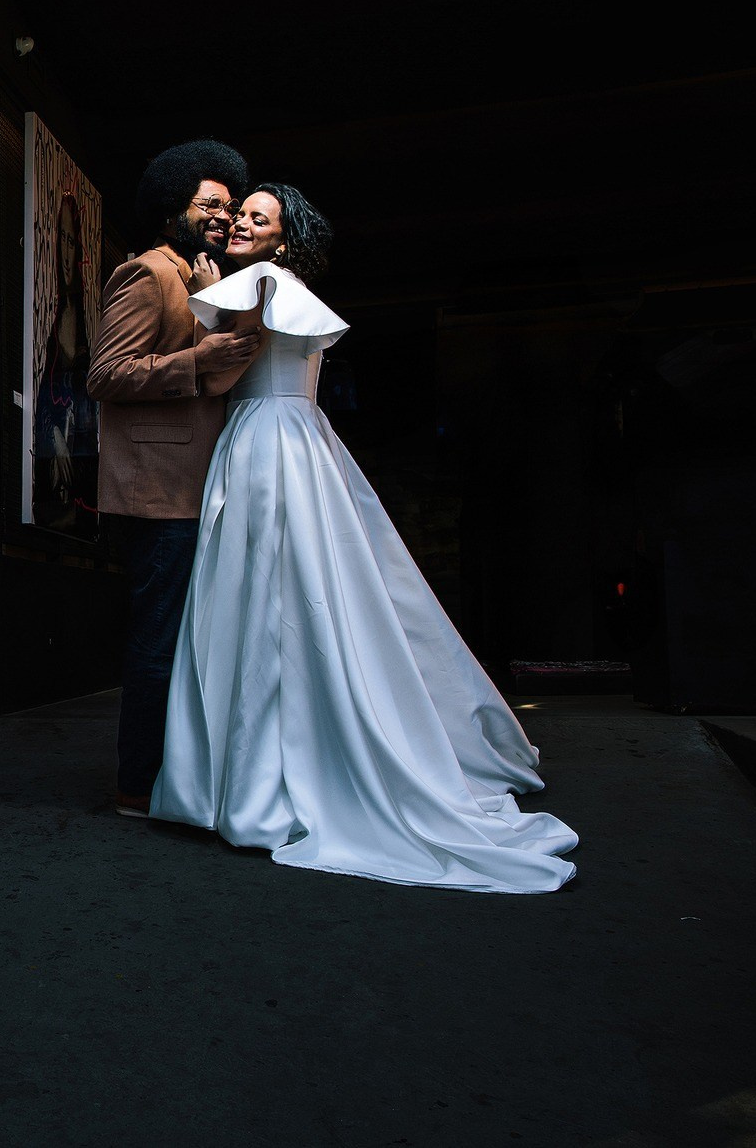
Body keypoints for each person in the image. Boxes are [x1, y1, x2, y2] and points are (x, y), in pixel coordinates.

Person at [150, 185, 579, 892]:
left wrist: (201, 290)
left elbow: (222, 365)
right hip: (300, 436)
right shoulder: (284, 285)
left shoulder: (255, 284)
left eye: (260, 218)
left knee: (258, 600)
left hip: (264, 442)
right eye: (243, 214)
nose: (243, 224)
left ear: (282, 240)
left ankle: (251, 779)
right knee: (311, 591)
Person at [87, 141, 261, 817]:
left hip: (200, 491)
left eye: (229, 205)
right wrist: (197, 358)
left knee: (191, 644)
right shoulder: (147, 274)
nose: (223, 215)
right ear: (172, 207)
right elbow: (105, 374)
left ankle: (179, 780)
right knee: (159, 644)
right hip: (159, 496)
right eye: (209, 204)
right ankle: (138, 787)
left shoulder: (204, 273)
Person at [33, 193, 95, 532]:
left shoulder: (82, 320)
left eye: (73, 241)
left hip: (80, 447)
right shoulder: (53, 317)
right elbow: (45, 392)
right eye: (64, 239)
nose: (68, 250)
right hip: (54, 444)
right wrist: (54, 433)